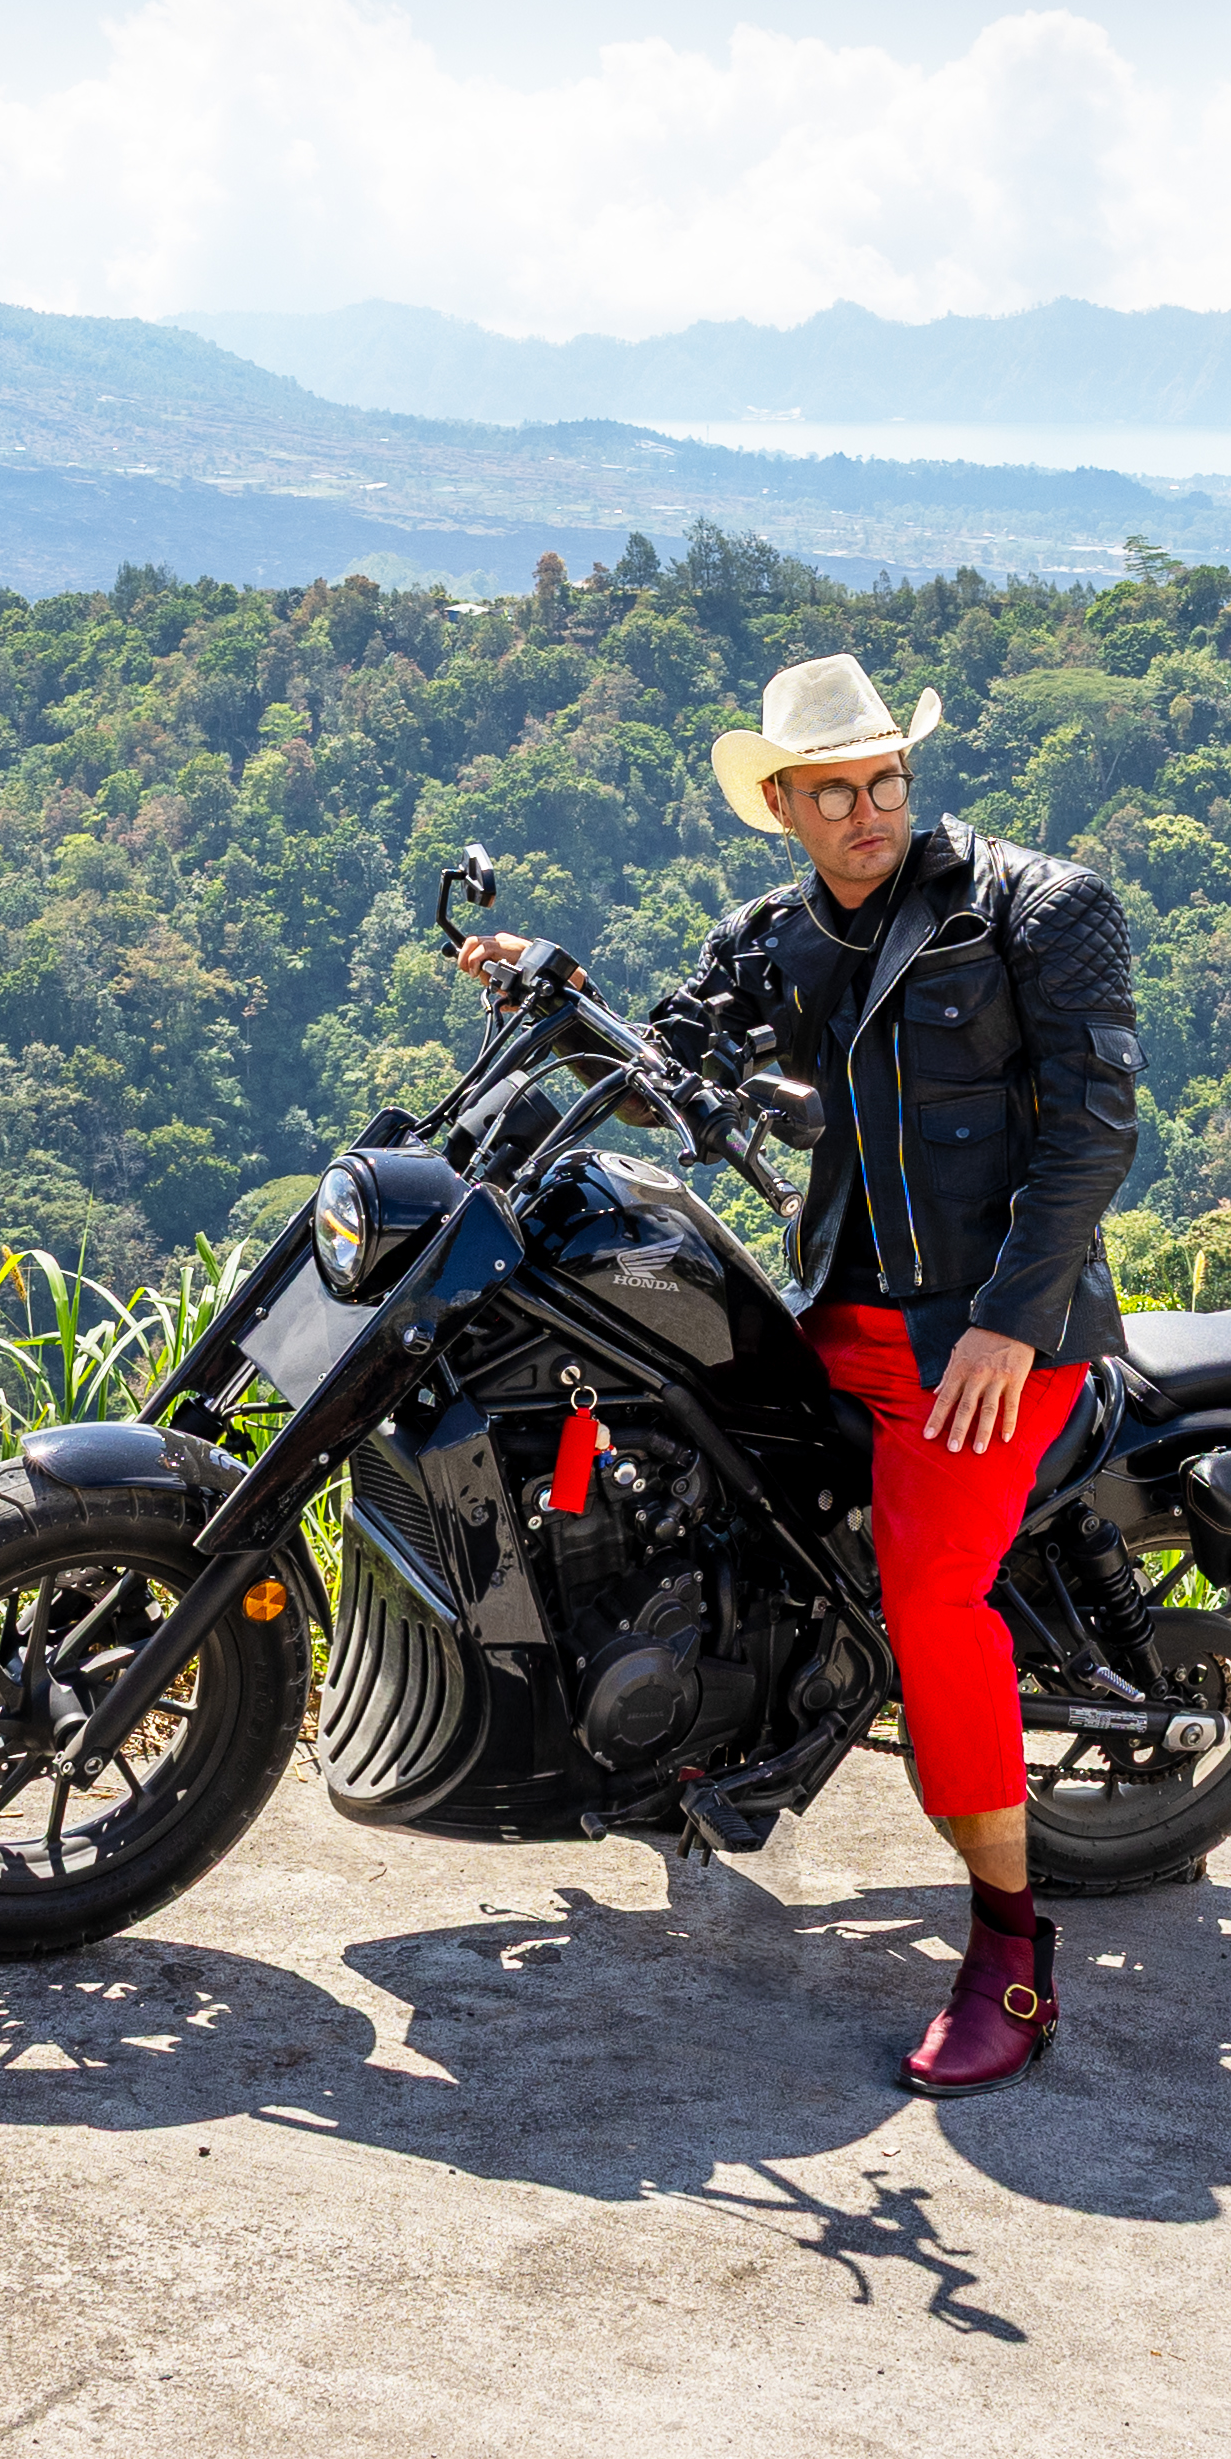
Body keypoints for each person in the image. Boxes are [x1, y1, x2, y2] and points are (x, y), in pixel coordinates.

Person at [458, 650, 1141, 2092]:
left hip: (993, 1347)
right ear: (782, 804)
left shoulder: (1036, 912)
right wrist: (546, 987)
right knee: (670, 1447)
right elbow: (667, 1063)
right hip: (848, 1311)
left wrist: (1010, 1327)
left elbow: (1093, 1136)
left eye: (884, 779)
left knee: (935, 1598)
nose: (868, 808)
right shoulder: (777, 936)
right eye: (833, 789)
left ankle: (1011, 1955)